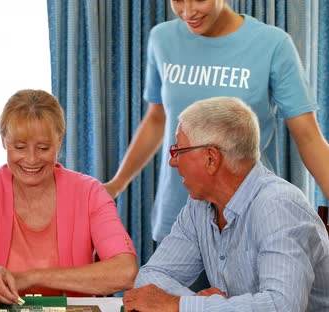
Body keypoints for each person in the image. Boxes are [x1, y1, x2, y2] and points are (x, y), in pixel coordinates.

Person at [103, 0, 329, 247]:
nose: (188, 12)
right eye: (178, 0)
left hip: (250, 219)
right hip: (178, 217)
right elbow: (157, 119)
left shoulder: (272, 44)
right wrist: (117, 184)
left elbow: (308, 137)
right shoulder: (162, 39)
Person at [122, 97, 329, 312]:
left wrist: (181, 305)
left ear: (211, 158)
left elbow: (283, 306)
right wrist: (209, 307)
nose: (172, 162)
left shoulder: (278, 206)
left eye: (178, 151)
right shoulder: (198, 207)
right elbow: (150, 278)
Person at [0, 89, 138, 304]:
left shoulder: (90, 191)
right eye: (19, 147)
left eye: (43, 148)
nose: (31, 159)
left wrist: (31, 277)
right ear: (3, 141)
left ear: (59, 140)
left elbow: (125, 271)